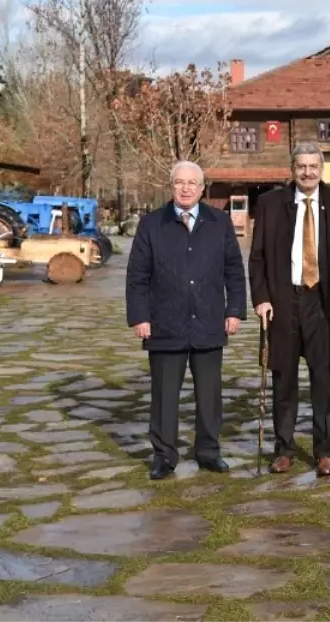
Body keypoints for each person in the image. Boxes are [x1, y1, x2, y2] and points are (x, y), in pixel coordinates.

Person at [125, 161, 246, 480]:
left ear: (202, 188)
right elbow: (137, 276)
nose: (186, 188)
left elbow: (234, 270)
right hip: (164, 323)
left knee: (209, 394)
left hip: (209, 322)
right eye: (180, 182)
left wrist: (234, 310)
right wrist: (140, 316)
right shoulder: (151, 224)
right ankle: (164, 456)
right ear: (171, 186)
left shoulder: (219, 223)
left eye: (193, 183)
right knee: (164, 395)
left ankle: (208, 452)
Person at [249, 143, 330, 477]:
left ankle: (324, 451)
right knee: (283, 378)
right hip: (283, 300)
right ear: (292, 169)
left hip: (324, 302)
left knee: (323, 379)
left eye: (313, 166)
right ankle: (284, 449)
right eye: (301, 166)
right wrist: (261, 298)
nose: (307, 172)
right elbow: (257, 257)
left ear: (321, 169)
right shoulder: (270, 204)